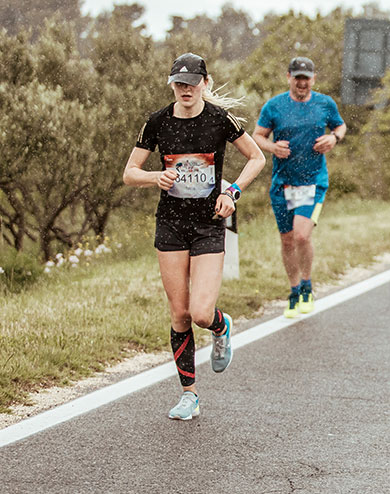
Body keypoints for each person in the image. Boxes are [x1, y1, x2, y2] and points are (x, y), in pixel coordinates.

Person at [123, 52, 265, 420]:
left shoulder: (219, 119)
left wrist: (231, 193)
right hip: (170, 224)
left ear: (205, 83)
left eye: (192, 82)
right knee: (180, 313)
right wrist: (156, 178)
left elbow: (257, 158)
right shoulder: (157, 122)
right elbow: (129, 173)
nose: (186, 89)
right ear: (172, 85)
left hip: (207, 223)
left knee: (201, 313)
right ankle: (190, 395)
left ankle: (222, 325)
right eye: (179, 83)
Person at [252, 57, 346, 318]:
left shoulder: (325, 104)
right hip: (283, 183)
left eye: (306, 78)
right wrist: (272, 147)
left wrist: (333, 137)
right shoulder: (274, 106)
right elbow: (257, 136)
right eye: (297, 78)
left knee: (301, 235)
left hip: (314, 181)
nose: (302, 82)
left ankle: (307, 285)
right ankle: (294, 291)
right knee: (286, 240)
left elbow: (340, 125)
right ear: (289, 78)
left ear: (313, 79)